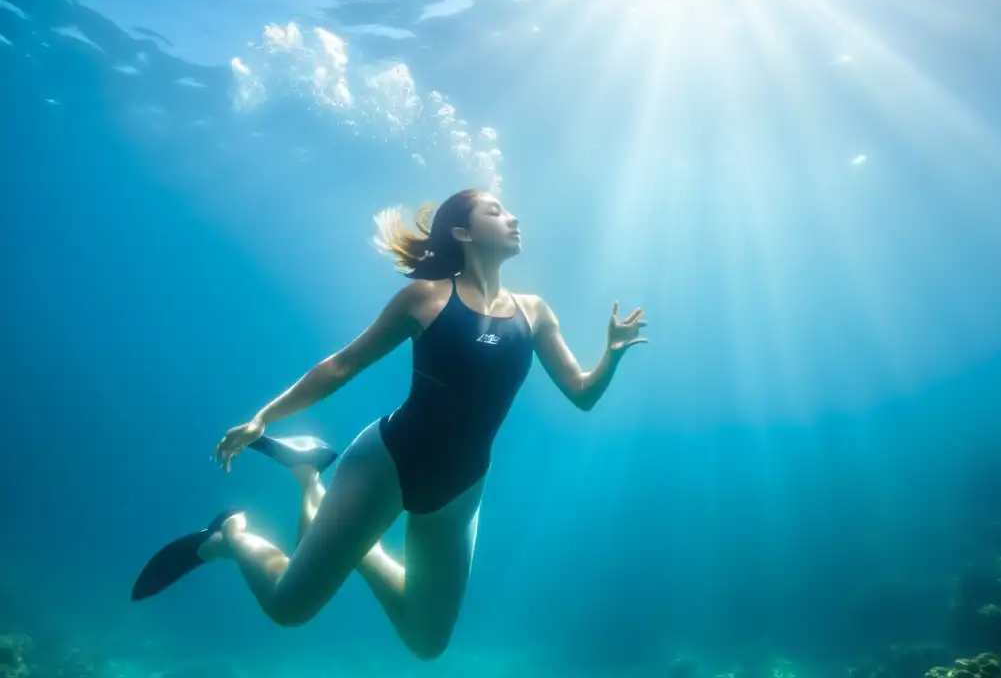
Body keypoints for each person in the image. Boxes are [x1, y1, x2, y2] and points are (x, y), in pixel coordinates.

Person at [130, 188, 649, 660]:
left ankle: (315, 484)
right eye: (496, 210)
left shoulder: (534, 312)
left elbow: (581, 394)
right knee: (290, 607)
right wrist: (262, 418)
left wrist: (612, 354)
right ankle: (231, 536)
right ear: (463, 233)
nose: (513, 217)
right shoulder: (424, 298)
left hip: (461, 489)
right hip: (386, 464)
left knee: (427, 642)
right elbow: (342, 364)